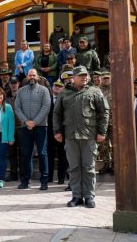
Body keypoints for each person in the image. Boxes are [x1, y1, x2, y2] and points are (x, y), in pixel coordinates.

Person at [53, 66, 108, 208]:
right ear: (74, 77)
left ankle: (89, 196)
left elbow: (103, 112)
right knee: (74, 168)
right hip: (70, 136)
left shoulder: (95, 91)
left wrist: (102, 132)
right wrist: (57, 131)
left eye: (86, 75)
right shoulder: (64, 93)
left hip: (89, 135)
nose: (84, 77)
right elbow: (57, 114)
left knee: (89, 167)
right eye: (81, 75)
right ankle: (76, 196)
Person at [14, 69, 51, 190]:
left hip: (40, 126)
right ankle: (25, 181)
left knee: (42, 153)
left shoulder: (44, 90)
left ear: (38, 77)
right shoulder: (20, 91)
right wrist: (26, 121)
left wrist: (34, 122)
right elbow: (17, 107)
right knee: (26, 154)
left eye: (34, 75)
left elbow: (46, 107)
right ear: (26, 76)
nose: (32, 77)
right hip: (25, 127)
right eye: (30, 75)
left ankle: (44, 181)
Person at [47, 80, 68, 184]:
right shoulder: (47, 99)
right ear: (52, 87)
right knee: (49, 155)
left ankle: (61, 178)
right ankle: (49, 177)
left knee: (62, 156)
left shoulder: (65, 99)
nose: (57, 87)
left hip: (62, 131)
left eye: (60, 86)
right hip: (49, 132)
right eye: (55, 86)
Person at [96, 71, 114, 175]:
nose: (106, 80)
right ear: (101, 79)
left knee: (115, 145)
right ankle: (106, 163)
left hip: (114, 122)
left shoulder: (116, 89)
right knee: (103, 145)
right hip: (102, 122)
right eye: (104, 78)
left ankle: (115, 164)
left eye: (108, 78)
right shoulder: (97, 90)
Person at [6, 77, 22, 181]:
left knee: (22, 151)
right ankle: (13, 173)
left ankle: (23, 173)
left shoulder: (22, 94)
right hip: (10, 128)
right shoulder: (6, 96)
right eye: (11, 83)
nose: (13, 85)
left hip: (21, 127)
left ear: (19, 83)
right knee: (11, 153)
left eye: (15, 83)